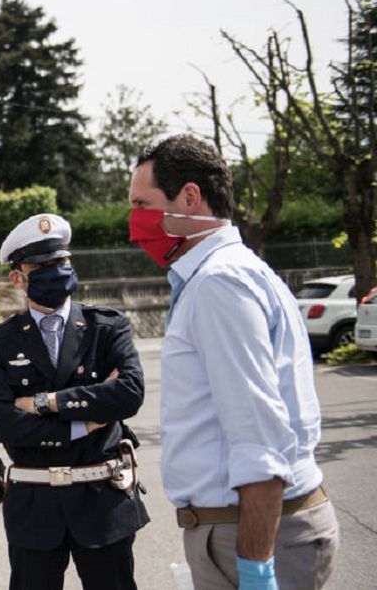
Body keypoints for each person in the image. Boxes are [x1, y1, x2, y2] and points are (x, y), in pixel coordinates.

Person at [128, 135, 339, 590]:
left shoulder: (219, 284)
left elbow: (259, 438)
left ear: (189, 197)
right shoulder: (231, 272)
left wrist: (256, 570)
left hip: (253, 534)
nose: (134, 222)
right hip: (249, 529)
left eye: (142, 204)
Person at [0, 213, 149, 590]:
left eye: (62, 262)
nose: (55, 271)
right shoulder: (0, 343)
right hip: (34, 503)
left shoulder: (107, 327)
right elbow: (2, 423)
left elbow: (129, 393)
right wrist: (84, 422)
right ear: (18, 278)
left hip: (102, 497)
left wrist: (44, 402)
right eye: (41, 266)